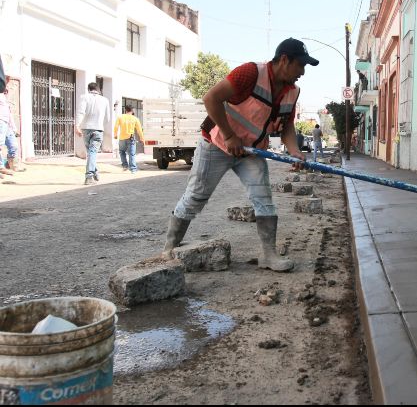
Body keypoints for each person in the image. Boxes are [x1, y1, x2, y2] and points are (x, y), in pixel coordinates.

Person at [162, 37, 319, 272]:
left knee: (264, 199)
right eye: (300, 65)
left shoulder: (292, 92)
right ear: (284, 60)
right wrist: (228, 135)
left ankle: (269, 255)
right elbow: (211, 98)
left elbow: (286, 126)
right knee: (195, 197)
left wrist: (294, 151)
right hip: (216, 145)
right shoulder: (250, 73)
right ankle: (169, 248)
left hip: (251, 152)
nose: (303, 72)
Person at [75, 82, 111, 185]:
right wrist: (100, 124)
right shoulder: (105, 100)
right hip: (98, 129)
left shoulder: (84, 97)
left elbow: (80, 112)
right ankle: (89, 176)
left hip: (86, 129)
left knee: (91, 152)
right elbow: (107, 118)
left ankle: (94, 171)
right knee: (92, 152)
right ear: (99, 90)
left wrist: (77, 125)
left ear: (88, 89)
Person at [113, 104, 145, 174]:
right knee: (132, 154)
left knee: (122, 152)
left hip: (122, 138)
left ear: (125, 110)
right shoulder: (135, 119)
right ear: (132, 110)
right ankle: (133, 169)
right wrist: (142, 138)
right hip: (131, 138)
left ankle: (125, 166)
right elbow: (139, 130)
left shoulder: (120, 117)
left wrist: (115, 135)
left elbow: (116, 127)